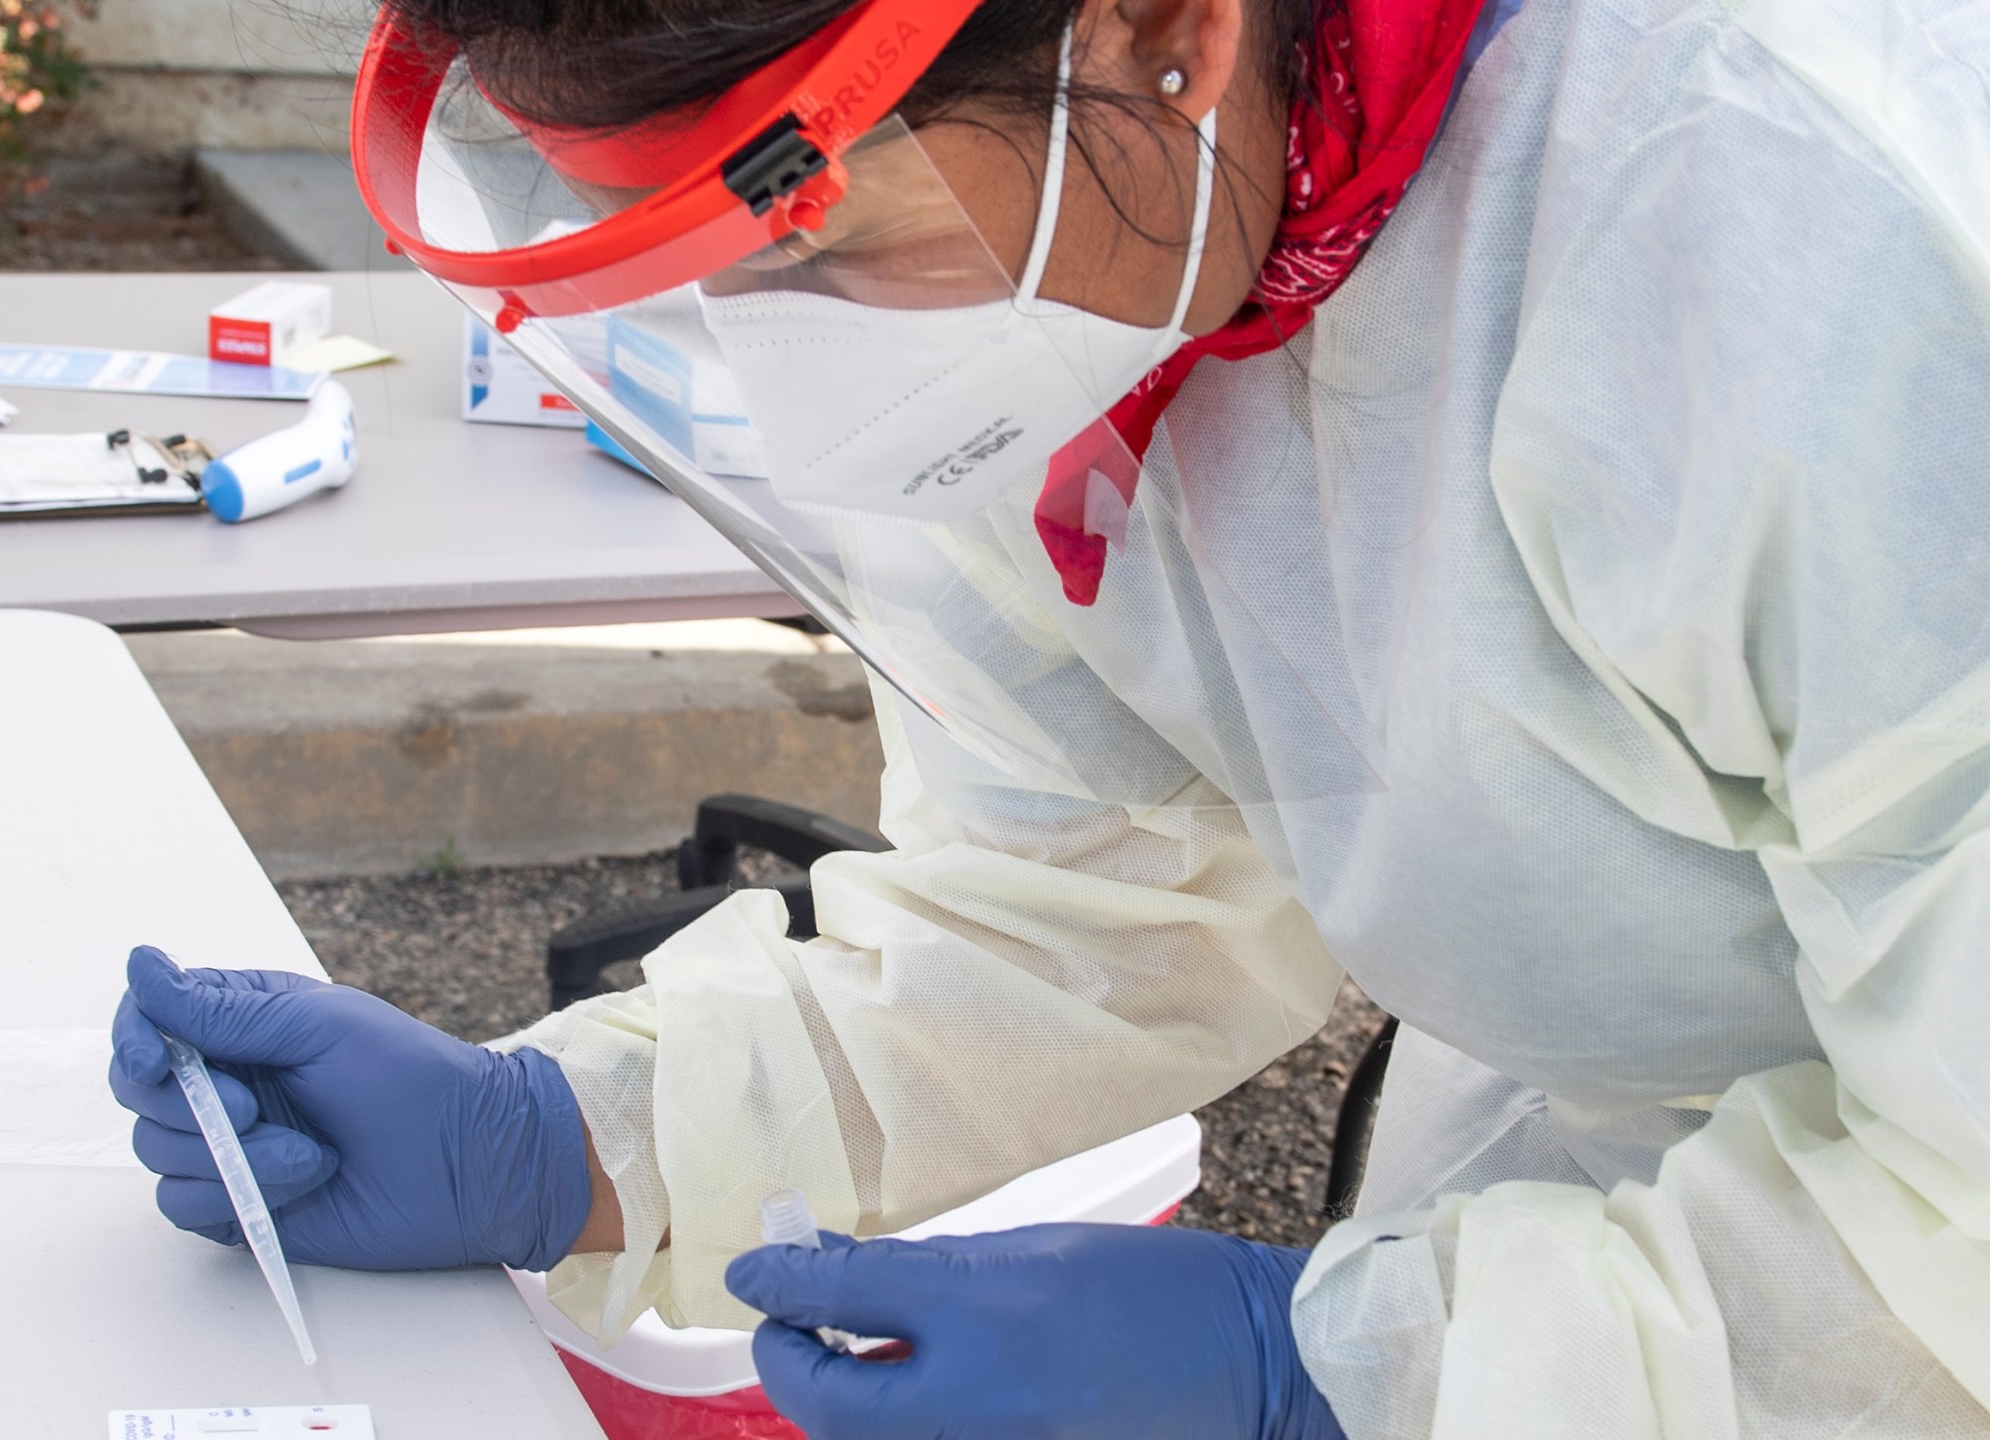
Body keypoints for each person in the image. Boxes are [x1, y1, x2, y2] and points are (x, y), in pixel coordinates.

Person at [110, 0, 1990, 1431]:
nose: (794, 355)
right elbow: (1102, 882)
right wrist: (583, 1134)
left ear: (1171, 30)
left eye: (830, 249)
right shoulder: (1121, 229)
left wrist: (1346, 1378)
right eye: (711, 275)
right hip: (1631, 1242)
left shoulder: (1806, 241)